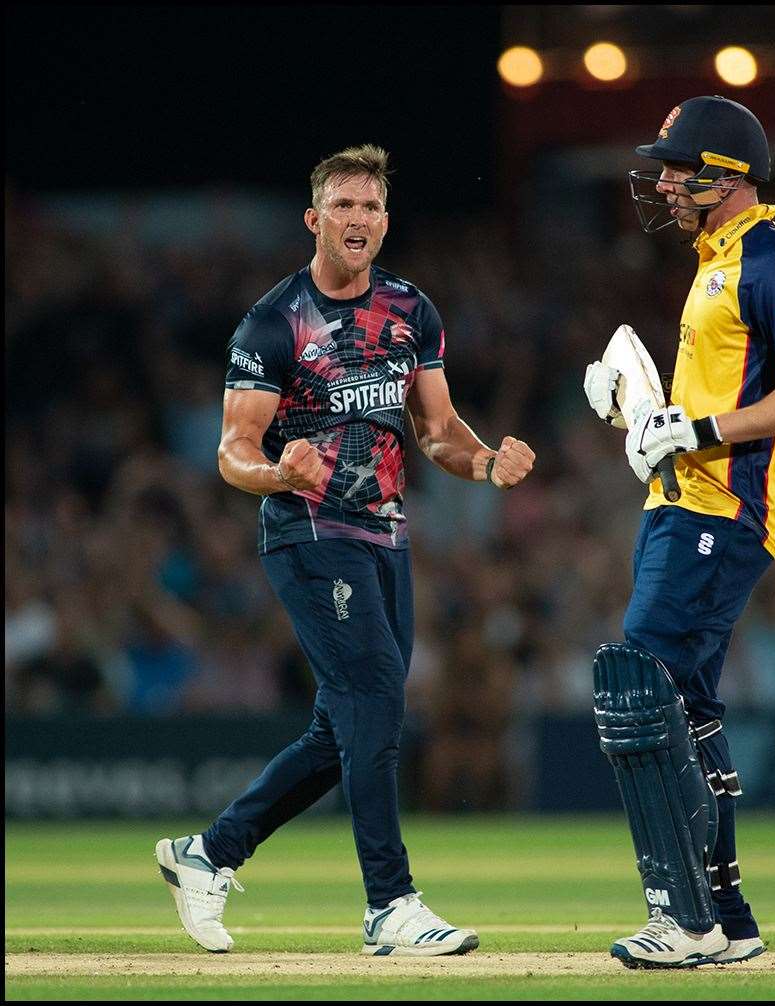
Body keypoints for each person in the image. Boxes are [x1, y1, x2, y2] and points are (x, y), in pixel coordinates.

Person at [156, 144, 535, 957]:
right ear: (314, 219)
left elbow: (436, 430)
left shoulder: (412, 309)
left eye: (370, 207)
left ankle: (208, 854)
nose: (358, 220)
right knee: (375, 702)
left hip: (386, 537)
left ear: (385, 221)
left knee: (348, 727)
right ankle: (388, 904)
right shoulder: (274, 320)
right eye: (343, 206)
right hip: (309, 532)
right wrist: (272, 473)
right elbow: (232, 449)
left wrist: (486, 464)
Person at [584, 95, 775, 969]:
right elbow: (720, 391)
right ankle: (726, 918)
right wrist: (638, 407)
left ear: (723, 176)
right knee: (686, 709)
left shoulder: (765, 259)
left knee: (641, 689)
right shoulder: (719, 256)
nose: (661, 180)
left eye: (676, 165)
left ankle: (683, 918)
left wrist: (697, 433)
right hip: (686, 504)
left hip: (718, 510)